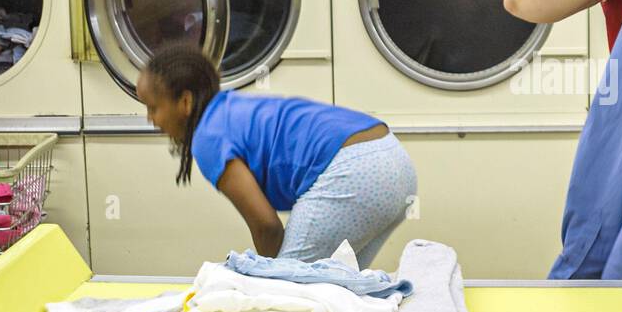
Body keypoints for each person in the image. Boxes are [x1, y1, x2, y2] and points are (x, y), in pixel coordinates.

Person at [135, 42, 417, 266]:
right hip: (393, 159)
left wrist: (269, 283)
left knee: (286, 298)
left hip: (354, 172)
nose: (150, 119)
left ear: (184, 102)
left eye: (153, 108)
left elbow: (267, 226)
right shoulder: (229, 108)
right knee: (337, 287)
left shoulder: (208, 138)